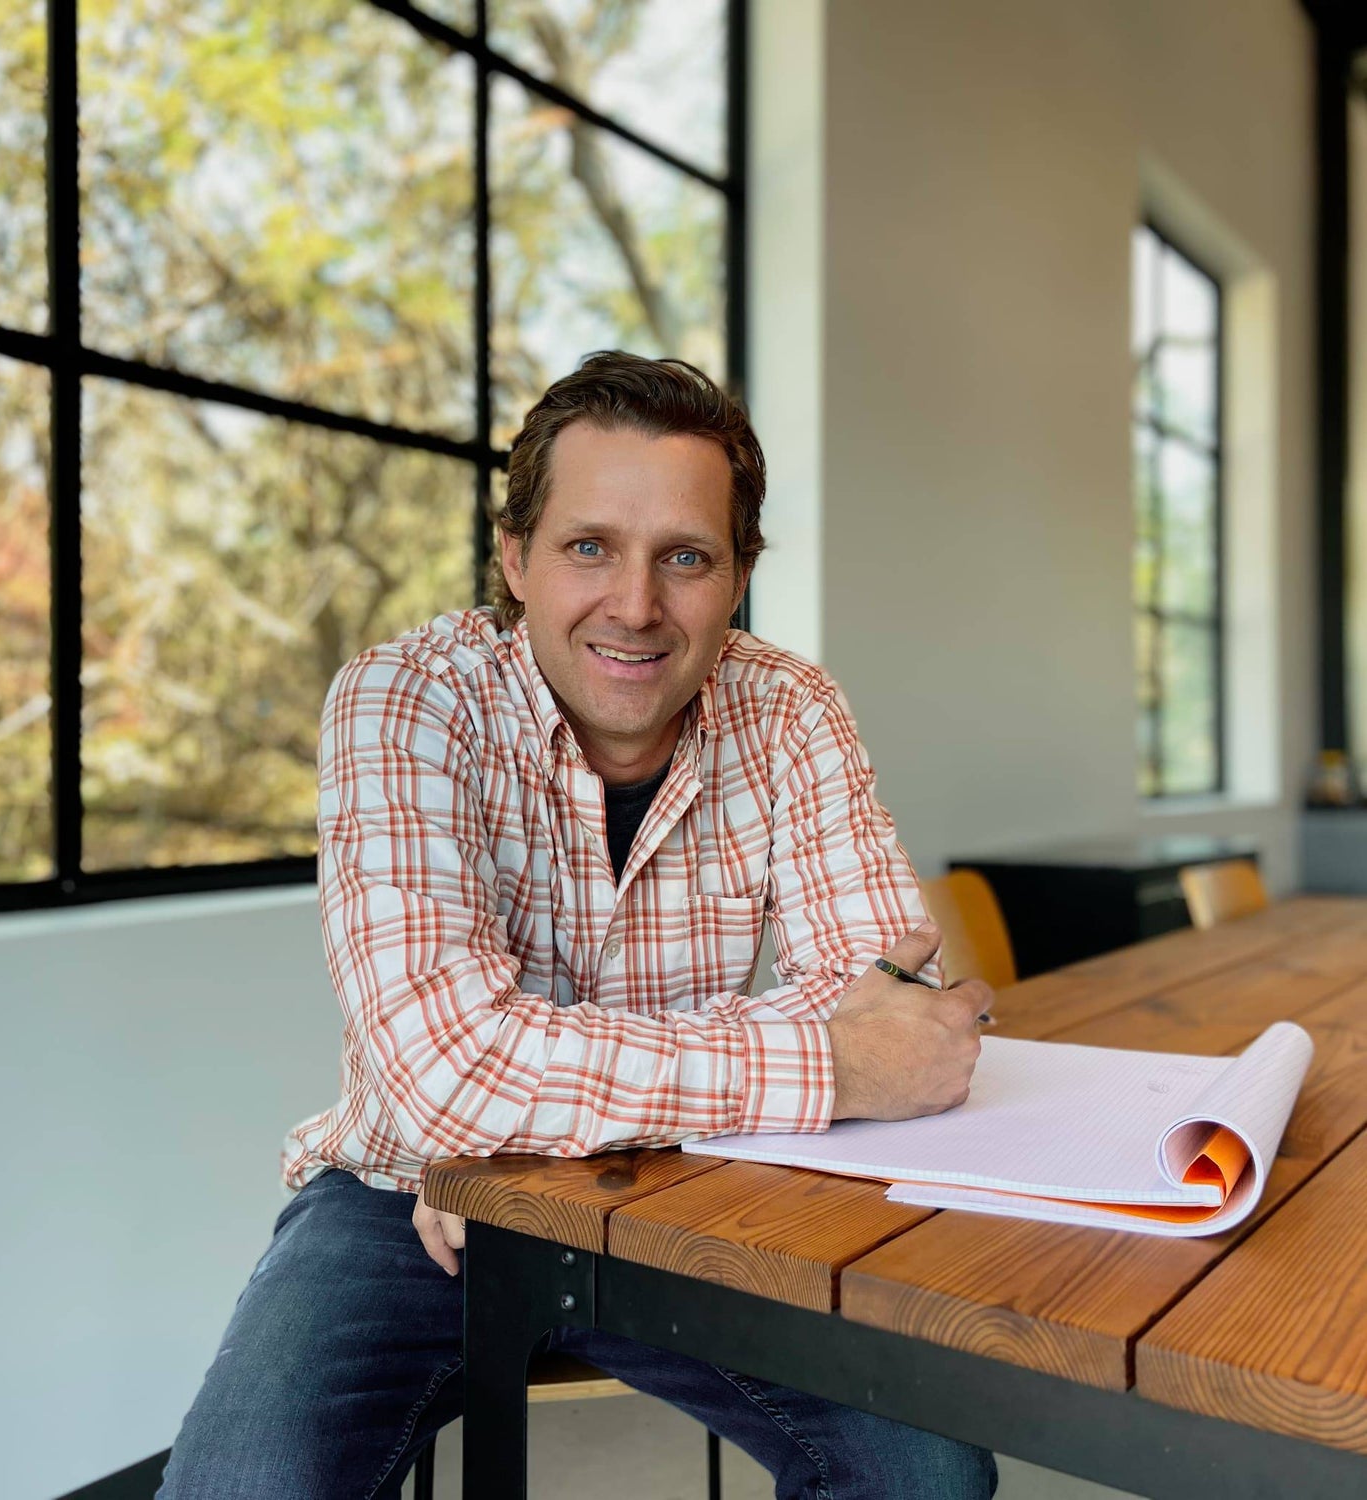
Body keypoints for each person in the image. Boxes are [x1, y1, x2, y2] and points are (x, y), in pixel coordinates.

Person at [158, 352, 996, 1499]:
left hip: (699, 1189)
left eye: (686, 558)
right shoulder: (404, 699)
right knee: (241, 1491)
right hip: (409, 1198)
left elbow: (881, 1004)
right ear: (515, 556)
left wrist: (535, 1117)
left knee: (929, 1476)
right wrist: (820, 1061)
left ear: (739, 574)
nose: (637, 605)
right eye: (589, 546)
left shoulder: (792, 709)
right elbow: (441, 1076)